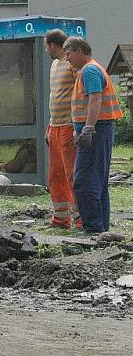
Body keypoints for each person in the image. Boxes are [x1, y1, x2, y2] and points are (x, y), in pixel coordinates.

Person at [63, 37, 124, 234]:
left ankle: (93, 229)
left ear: (80, 50)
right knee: (98, 182)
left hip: (95, 131)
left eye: (69, 53)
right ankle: (101, 229)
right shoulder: (91, 69)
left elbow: (95, 99)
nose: (67, 58)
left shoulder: (89, 70)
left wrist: (88, 128)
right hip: (101, 129)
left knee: (85, 180)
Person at [44, 29, 81, 230]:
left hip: (68, 125)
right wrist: (49, 124)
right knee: (56, 174)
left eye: (46, 46)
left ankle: (80, 218)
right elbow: (54, 97)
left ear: (51, 45)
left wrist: (78, 125)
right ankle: (61, 219)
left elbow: (79, 92)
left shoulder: (71, 65)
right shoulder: (54, 65)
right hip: (55, 126)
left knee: (72, 173)